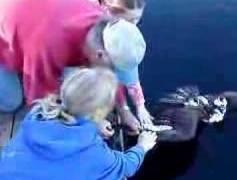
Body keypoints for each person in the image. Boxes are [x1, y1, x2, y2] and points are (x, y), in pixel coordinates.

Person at [0, 0, 148, 141]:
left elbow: (112, 75)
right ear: (100, 54)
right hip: (7, 37)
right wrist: (90, 123)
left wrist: (124, 110)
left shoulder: (104, 26)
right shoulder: (50, 48)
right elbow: (40, 101)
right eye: (112, 67)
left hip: (33, 23)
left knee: (73, 76)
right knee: (11, 102)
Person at [0, 68, 157, 180]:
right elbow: (125, 166)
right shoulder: (96, 154)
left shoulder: (38, 114)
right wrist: (143, 146)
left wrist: (94, 125)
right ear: (98, 113)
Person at [132, 86, 237, 180]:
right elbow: (184, 133)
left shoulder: (216, 102)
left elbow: (229, 98)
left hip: (176, 115)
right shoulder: (189, 122)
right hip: (179, 121)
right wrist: (145, 136)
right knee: (186, 135)